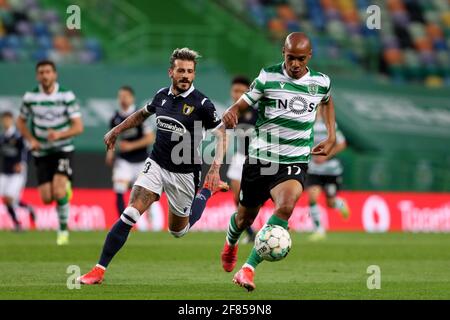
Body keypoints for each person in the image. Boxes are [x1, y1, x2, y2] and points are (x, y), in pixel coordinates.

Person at [78, 48, 229, 285]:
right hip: (156, 164)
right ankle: (98, 270)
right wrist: (116, 131)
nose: (185, 75)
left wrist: (215, 168)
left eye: (190, 71)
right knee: (130, 212)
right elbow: (141, 114)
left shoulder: (202, 104)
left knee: (178, 231)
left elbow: (222, 134)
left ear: (194, 75)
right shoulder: (161, 96)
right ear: (171, 72)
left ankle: (208, 191)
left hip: (185, 173)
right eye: (181, 70)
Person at [221, 32, 337, 291]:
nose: (294, 64)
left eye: (300, 59)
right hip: (262, 159)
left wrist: (330, 135)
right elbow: (245, 101)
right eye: (289, 58)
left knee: (285, 207)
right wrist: (232, 110)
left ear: (309, 57)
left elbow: (327, 102)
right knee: (244, 218)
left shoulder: (320, 82)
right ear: (282, 54)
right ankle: (230, 244)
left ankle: (248, 269)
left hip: (294, 160)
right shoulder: (268, 76)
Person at [17, 60, 84, 245]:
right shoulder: (30, 97)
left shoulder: (66, 95)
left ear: (55, 75)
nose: (45, 75)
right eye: (41, 72)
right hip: (42, 152)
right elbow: (20, 122)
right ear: (37, 76)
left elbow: (78, 127)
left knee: (59, 190)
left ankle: (63, 231)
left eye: (48, 72)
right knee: (47, 198)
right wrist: (31, 140)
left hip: (63, 149)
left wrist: (60, 134)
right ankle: (64, 191)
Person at [106, 86, 155, 217]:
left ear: (132, 98)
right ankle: (121, 225)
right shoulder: (115, 118)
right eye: (120, 96)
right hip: (124, 161)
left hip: (142, 160)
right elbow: (113, 139)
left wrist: (131, 145)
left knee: (145, 196)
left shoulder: (140, 115)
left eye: (126, 96)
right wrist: (110, 153)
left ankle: (152, 225)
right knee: (119, 189)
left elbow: (150, 138)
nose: (123, 99)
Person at [306, 106, 350, 241]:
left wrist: (326, 156)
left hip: (331, 170)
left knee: (330, 203)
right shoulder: (306, 123)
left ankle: (339, 203)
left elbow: (342, 144)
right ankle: (319, 230)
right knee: (312, 197)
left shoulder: (330, 124)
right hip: (314, 169)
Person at [226, 76, 257, 243]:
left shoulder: (259, 113)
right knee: (237, 198)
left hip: (258, 159)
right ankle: (251, 234)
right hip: (240, 158)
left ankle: (277, 224)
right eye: (235, 91)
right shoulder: (232, 112)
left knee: (254, 199)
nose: (237, 94)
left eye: (241, 91)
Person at [0, 111, 36, 231]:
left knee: (9, 198)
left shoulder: (19, 136)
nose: (5, 122)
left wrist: (22, 163)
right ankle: (28, 209)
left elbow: (30, 149)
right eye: (3, 120)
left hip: (17, 174)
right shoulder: (2, 137)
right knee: (7, 200)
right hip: (4, 172)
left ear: (12, 120)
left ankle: (17, 224)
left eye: (7, 119)